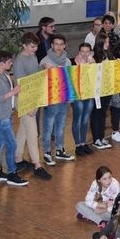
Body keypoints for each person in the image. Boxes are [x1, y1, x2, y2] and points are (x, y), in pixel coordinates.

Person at [12, 32, 52, 180]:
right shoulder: (19, 61)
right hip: (23, 99)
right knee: (32, 132)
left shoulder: (32, 56)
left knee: (24, 129)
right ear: (24, 45)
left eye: (36, 46)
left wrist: (43, 68)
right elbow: (21, 84)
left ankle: (17, 158)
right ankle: (37, 164)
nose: (35, 49)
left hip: (32, 98)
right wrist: (30, 105)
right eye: (32, 46)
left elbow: (34, 75)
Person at [0, 50, 27, 187]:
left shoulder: (4, 74)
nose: (11, 63)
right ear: (2, 63)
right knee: (11, 144)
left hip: (5, 114)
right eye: (9, 62)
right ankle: (11, 173)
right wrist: (12, 93)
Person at [39, 34, 75, 165]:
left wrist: (70, 96)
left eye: (61, 44)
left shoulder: (67, 61)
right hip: (51, 100)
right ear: (52, 45)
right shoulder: (45, 61)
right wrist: (44, 69)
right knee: (48, 127)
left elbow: (70, 79)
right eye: (56, 44)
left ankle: (60, 150)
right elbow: (40, 80)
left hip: (64, 99)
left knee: (60, 126)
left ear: (64, 46)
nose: (59, 47)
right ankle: (47, 152)